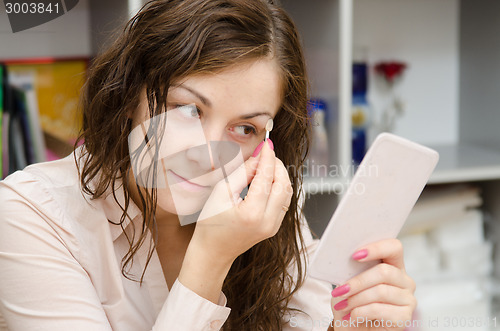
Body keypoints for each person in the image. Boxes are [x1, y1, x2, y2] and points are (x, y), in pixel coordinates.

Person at [0, 0, 417, 330]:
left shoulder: (259, 203)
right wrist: (210, 260)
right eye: (189, 110)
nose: (207, 153)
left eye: (245, 128)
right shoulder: (31, 215)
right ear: (131, 95)